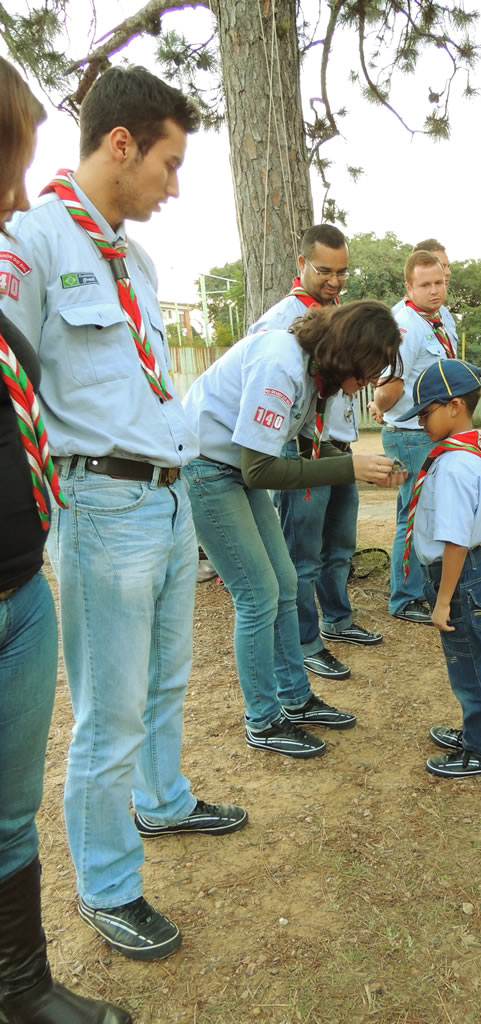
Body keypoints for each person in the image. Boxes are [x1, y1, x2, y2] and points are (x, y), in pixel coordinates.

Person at [0, 65, 248, 964]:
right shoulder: (30, 241)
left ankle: (164, 799)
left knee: (165, 682)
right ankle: (107, 883)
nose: (173, 186)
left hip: (169, 495)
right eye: (169, 164)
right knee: (108, 713)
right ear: (120, 144)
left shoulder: (132, 258)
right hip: (102, 503)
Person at [0, 57, 131, 1023]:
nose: (16, 196)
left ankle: (22, 989)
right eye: (6, 168)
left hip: (18, 595)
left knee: (11, 818)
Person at [182, 300, 405, 759]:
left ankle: (295, 699)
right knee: (257, 594)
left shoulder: (312, 371)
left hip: (233, 469)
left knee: (284, 583)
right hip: (206, 468)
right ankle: (263, 720)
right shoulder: (280, 364)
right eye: (371, 366)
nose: (372, 380)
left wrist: (366, 465)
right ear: (350, 351)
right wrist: (350, 467)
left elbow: (303, 454)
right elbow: (262, 470)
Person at [247, 224, 382, 683]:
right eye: (325, 271)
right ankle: (305, 642)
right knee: (302, 555)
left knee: (340, 544)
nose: (334, 281)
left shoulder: (340, 313)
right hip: (301, 447)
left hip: (338, 445)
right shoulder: (281, 319)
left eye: (342, 272)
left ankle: (337, 619)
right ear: (302, 263)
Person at [395, 359, 481, 778]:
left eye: (426, 412)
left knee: (470, 668)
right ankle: (475, 732)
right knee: (466, 664)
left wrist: (442, 602)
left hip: (459, 577)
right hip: (463, 574)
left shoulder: (457, 464)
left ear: (454, 406)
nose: (421, 422)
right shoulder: (460, 453)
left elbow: (456, 540)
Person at [369, 250, 453, 623]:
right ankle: (404, 598)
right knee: (414, 516)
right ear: (409, 286)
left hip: (433, 430)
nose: (434, 290)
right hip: (410, 433)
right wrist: (380, 406)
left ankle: (424, 587)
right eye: (425, 285)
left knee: (428, 513)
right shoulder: (406, 325)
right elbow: (390, 383)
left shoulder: (440, 316)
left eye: (439, 282)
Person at [392, 237, 457, 348]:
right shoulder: (398, 320)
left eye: (448, 266)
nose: (447, 272)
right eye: (441, 265)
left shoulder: (445, 314)